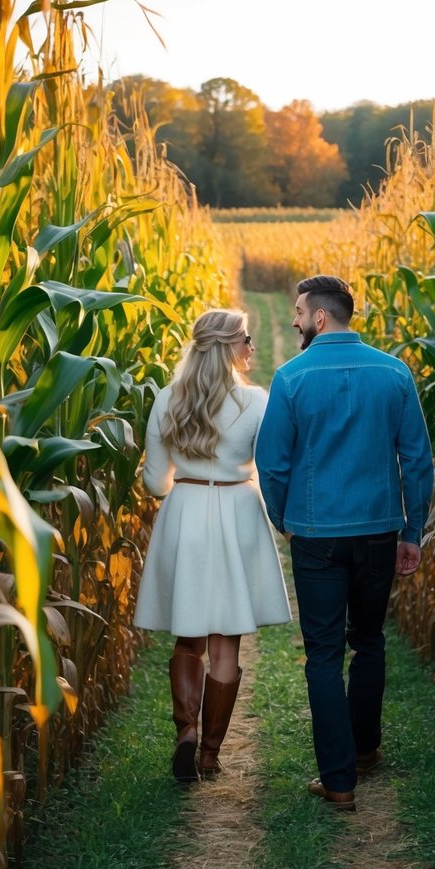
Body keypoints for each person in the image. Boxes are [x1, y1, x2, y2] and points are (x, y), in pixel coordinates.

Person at [255, 275, 434, 811]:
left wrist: (286, 518)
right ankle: (364, 750)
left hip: (317, 535)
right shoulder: (394, 372)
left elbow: (271, 463)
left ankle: (338, 780)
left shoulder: (290, 378)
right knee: (371, 641)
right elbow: (418, 460)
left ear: (321, 317)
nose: (293, 320)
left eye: (298, 312)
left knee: (324, 656)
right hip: (380, 530)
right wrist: (413, 530)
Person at [134, 308, 291, 784]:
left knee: (190, 636)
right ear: (228, 347)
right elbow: (270, 465)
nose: (252, 347)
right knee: (227, 644)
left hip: (185, 511)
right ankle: (209, 755)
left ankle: (186, 730)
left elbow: (155, 484)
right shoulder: (256, 402)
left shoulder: (166, 400)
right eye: (246, 338)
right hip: (237, 509)